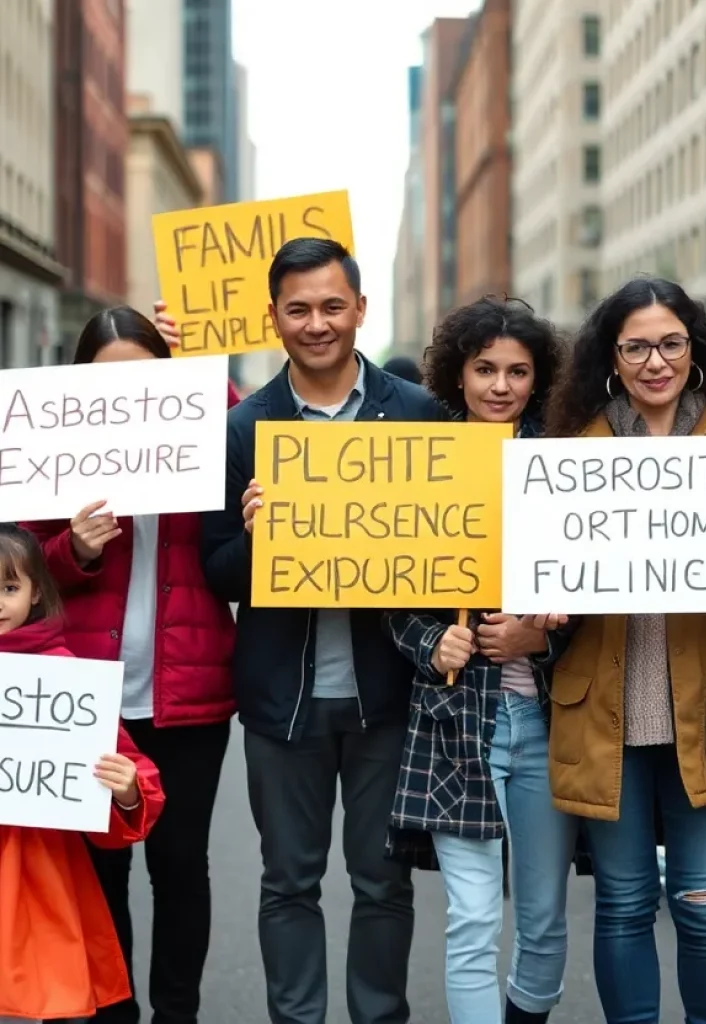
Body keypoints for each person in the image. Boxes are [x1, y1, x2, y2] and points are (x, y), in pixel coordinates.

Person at [196, 238, 443, 1024]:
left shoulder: (416, 415)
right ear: (273, 317)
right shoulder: (243, 427)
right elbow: (217, 571)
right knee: (288, 884)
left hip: (387, 699)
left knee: (382, 883)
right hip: (283, 705)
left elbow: (451, 552)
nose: (316, 323)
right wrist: (259, 538)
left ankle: (379, 1016)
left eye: (332, 306)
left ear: (360, 310)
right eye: (298, 309)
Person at [539, 277, 706, 1024]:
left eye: (671, 343)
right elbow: (544, 577)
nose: (656, 360)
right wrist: (548, 603)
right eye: (637, 346)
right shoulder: (572, 448)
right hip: (603, 712)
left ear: (696, 348)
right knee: (621, 905)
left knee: (705, 902)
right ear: (611, 357)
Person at [22, 306, 238, 1024]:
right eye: (106, 382)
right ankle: (112, 1012)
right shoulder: (52, 450)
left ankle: (177, 1014)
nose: (125, 397)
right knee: (101, 867)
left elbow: (249, 431)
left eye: (143, 381)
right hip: (87, 695)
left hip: (189, 699)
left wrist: (203, 370)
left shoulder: (199, 432)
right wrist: (74, 550)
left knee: (180, 868)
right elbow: (20, 569)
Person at [387, 297, 576, 1024]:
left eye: (518, 371)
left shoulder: (564, 463)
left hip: (549, 721)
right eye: (485, 368)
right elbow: (383, 586)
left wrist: (544, 636)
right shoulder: (421, 460)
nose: (501, 384)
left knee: (545, 921)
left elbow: (602, 589)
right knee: (471, 920)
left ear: (538, 378)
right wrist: (430, 642)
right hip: (453, 719)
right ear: (457, 374)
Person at [0, 524, 165, 1024]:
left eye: (8, 587)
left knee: (39, 998)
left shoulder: (62, 676)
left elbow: (129, 765)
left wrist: (129, 791)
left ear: (35, 594)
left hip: (39, 872)